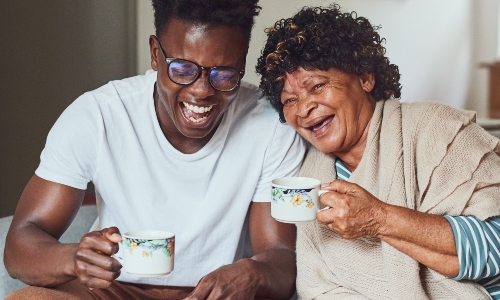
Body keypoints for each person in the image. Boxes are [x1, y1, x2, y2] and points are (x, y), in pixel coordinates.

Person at [4, 1, 306, 299]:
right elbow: (20, 245)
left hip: (216, 295)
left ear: (241, 64)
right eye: (183, 69)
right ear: (154, 54)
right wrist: (73, 259)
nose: (201, 91)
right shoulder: (98, 116)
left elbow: (279, 257)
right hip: (113, 290)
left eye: (224, 74)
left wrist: (253, 272)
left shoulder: (269, 125)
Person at [256, 4, 500, 300]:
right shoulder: (310, 176)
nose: (304, 108)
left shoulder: (439, 130)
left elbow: (495, 251)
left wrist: (379, 218)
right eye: (289, 100)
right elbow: (317, 287)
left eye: (317, 86)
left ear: (365, 78)